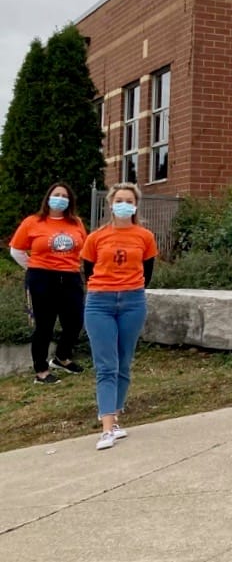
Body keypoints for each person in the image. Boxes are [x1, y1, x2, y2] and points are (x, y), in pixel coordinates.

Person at [80, 183, 158, 450]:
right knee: (106, 365)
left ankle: (115, 419)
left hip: (132, 301)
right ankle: (105, 428)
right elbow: (87, 270)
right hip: (99, 302)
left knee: (123, 363)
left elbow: (148, 271)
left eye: (129, 200)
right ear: (111, 204)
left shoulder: (145, 236)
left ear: (135, 206)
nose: (123, 204)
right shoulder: (96, 238)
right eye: (119, 199)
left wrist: (130, 289)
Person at [8, 182, 88, 384]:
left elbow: (84, 248)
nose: (60, 198)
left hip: (70, 277)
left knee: (75, 321)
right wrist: (33, 267)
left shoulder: (75, 222)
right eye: (56, 194)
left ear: (70, 201)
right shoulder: (33, 222)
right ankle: (41, 370)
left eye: (65, 196)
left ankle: (62, 357)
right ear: (48, 197)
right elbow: (16, 250)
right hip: (42, 279)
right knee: (45, 326)